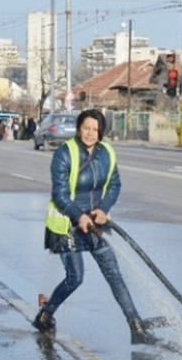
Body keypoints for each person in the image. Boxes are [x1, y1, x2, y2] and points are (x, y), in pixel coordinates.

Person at [32, 109, 155, 345]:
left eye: (95, 130)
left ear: (101, 132)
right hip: (67, 225)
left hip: (96, 223)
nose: (90, 133)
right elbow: (59, 194)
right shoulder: (65, 153)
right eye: (86, 128)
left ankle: (136, 327)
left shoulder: (107, 152)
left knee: (114, 274)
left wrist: (103, 209)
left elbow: (115, 185)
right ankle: (46, 314)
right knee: (75, 278)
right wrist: (79, 216)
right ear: (79, 128)